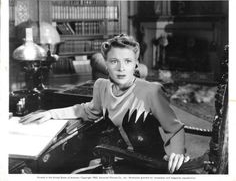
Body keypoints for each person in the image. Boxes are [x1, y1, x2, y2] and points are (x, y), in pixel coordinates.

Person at [20, 34, 189, 173]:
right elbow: (88, 110)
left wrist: (177, 152)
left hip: (152, 164)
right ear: (106, 65)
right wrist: (51, 113)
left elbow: (175, 128)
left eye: (127, 61)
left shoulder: (151, 91)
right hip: (122, 157)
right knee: (74, 174)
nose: (121, 68)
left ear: (135, 64)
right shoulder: (101, 86)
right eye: (114, 61)